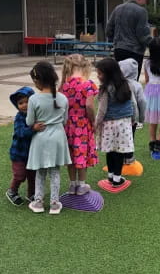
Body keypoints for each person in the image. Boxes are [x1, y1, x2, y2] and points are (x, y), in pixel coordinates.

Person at [27, 61, 71, 215]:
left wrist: (35, 126)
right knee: (55, 171)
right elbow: (65, 120)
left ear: (38, 81)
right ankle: (54, 203)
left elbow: (29, 122)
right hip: (58, 137)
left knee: (41, 171)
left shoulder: (34, 99)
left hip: (40, 137)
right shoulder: (63, 98)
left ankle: (38, 202)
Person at [59, 54, 98, 196]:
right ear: (86, 67)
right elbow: (89, 105)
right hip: (82, 124)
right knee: (82, 153)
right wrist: (93, 121)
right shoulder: (87, 84)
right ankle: (81, 185)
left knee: (71, 154)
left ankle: (72, 184)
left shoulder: (64, 85)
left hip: (68, 125)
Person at [95, 58, 138, 188]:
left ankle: (111, 175)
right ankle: (117, 179)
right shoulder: (126, 85)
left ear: (108, 73)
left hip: (109, 124)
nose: (98, 76)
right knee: (120, 151)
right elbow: (133, 104)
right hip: (124, 124)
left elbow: (102, 109)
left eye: (100, 73)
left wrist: (96, 123)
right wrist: (134, 119)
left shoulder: (105, 89)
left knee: (110, 150)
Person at [6, 86, 45, 206]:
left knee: (32, 175)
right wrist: (33, 128)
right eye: (20, 103)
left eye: (27, 102)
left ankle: (31, 194)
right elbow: (20, 133)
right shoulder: (19, 117)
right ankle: (12, 191)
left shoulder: (36, 115)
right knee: (20, 175)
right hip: (19, 153)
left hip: (31, 153)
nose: (24, 105)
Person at [106, 0, 153, 80]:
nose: (146, 3)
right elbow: (142, 35)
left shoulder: (117, 8)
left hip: (118, 49)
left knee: (119, 80)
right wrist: (154, 44)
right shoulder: (141, 11)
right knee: (132, 82)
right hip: (134, 51)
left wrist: (113, 41)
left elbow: (109, 29)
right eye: (145, 0)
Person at [119, 58, 146, 164]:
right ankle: (129, 157)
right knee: (130, 136)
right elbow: (142, 102)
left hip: (117, 116)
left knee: (119, 135)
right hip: (131, 117)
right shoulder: (136, 85)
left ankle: (119, 157)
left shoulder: (115, 84)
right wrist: (142, 118)